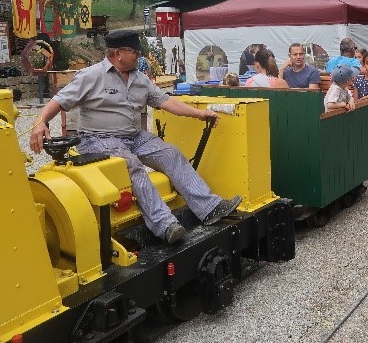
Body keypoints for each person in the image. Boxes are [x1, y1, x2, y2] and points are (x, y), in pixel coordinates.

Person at [28, 30, 242, 245]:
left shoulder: (140, 79)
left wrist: (200, 113)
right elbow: (59, 101)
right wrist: (40, 123)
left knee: (170, 153)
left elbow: (166, 102)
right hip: (98, 138)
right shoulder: (91, 76)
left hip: (134, 136)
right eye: (134, 52)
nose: (139, 56)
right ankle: (165, 224)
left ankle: (209, 208)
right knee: (130, 164)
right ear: (117, 53)